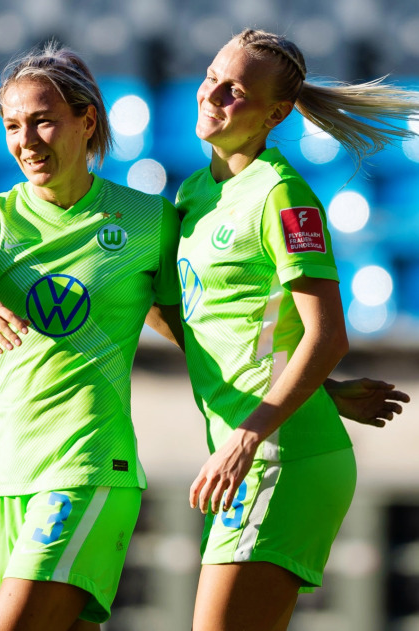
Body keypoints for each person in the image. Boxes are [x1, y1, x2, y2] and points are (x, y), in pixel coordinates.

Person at [156, 28, 416, 631]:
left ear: (275, 113)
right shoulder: (193, 193)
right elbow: (214, 329)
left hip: (277, 456)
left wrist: (247, 437)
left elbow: (328, 335)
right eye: (211, 77)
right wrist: (323, 391)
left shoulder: (282, 193)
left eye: (235, 90)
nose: (213, 94)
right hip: (255, 447)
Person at [0, 42, 183, 631]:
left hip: (89, 463)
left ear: (87, 119)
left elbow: (196, 333)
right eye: (12, 126)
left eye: (44, 120)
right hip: (4, 469)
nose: (27, 141)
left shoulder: (150, 221)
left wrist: (307, 387)